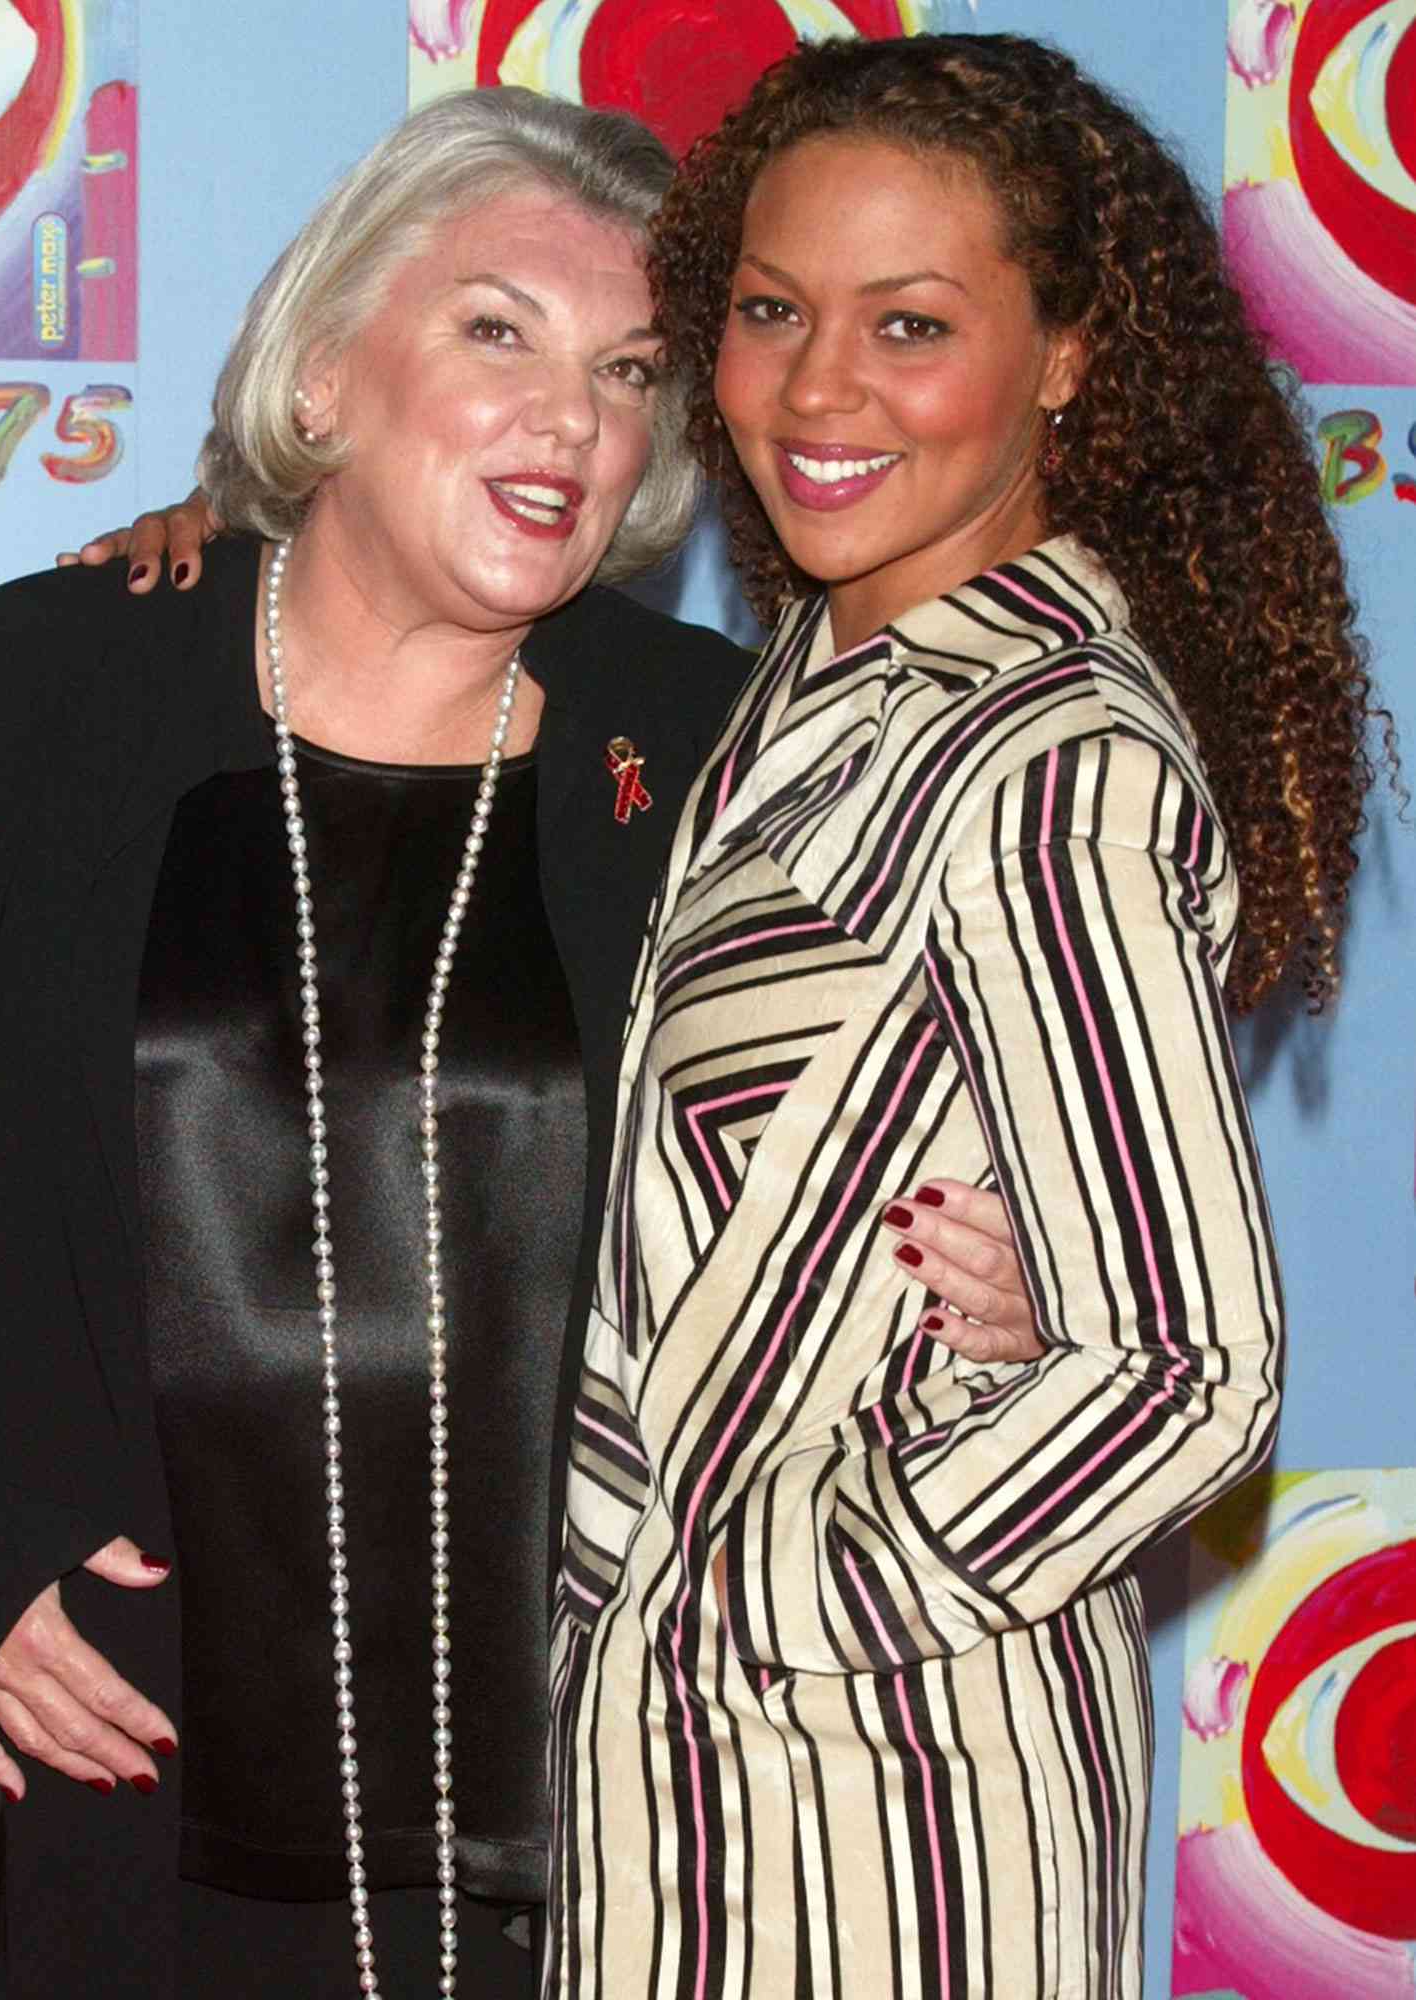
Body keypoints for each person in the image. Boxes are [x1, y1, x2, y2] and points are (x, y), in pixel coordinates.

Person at [0, 83, 1030, 2000]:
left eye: (628, 372)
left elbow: (874, 1181)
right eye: (495, 330)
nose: (571, 419)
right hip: (100, 1796)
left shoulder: (730, 754)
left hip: (596, 1843)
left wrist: (1006, 1298)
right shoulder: (46, 687)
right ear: (325, 371)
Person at [541, 33, 1383, 2000]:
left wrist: (782, 1583)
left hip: (895, 1820)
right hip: (674, 1801)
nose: (816, 389)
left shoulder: (1047, 758)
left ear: (1067, 358)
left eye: (907, 322)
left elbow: (1175, 1359)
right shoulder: (799, 696)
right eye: (767, 311)